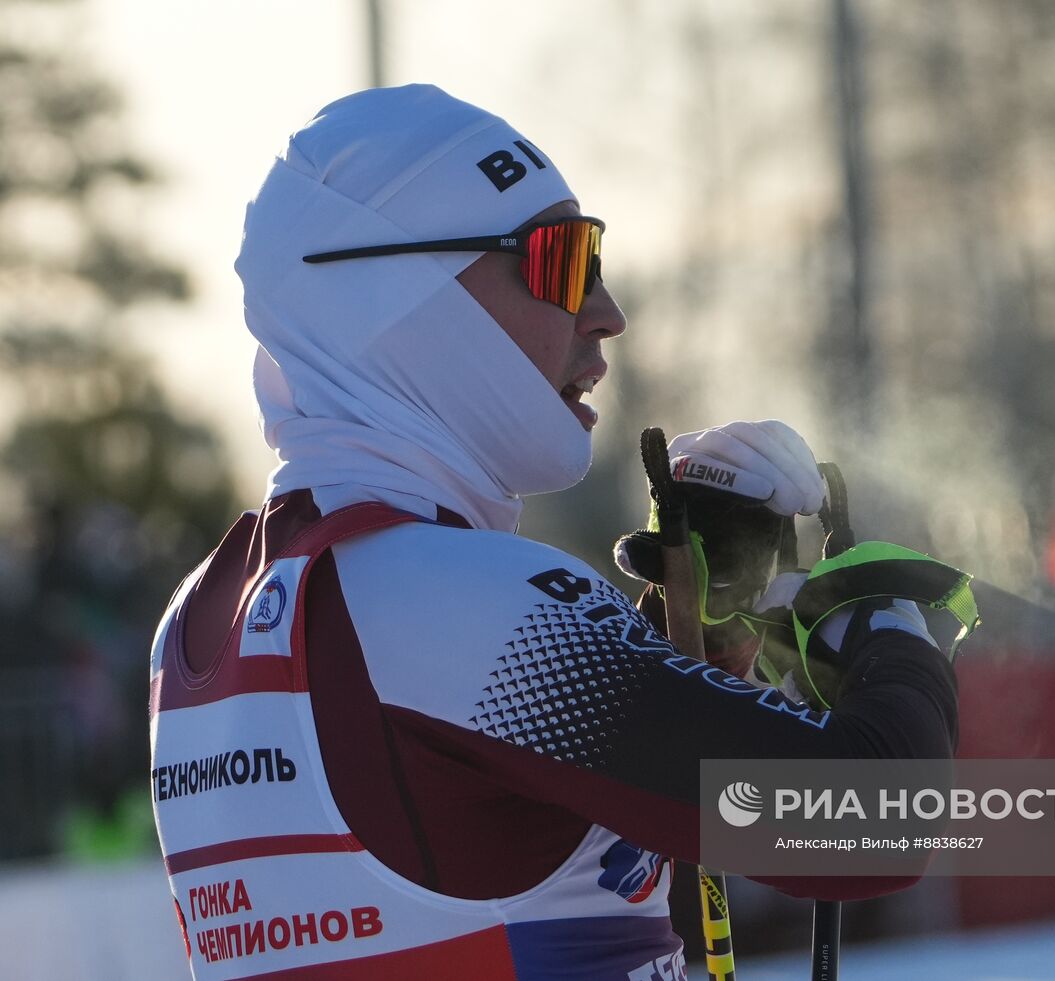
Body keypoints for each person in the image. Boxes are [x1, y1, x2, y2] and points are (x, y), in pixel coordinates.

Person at [148, 84, 960, 980]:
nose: (606, 309)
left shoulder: (203, 615)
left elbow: (494, 853)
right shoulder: (447, 594)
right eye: (559, 261)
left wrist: (693, 654)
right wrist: (885, 623)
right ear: (398, 298)